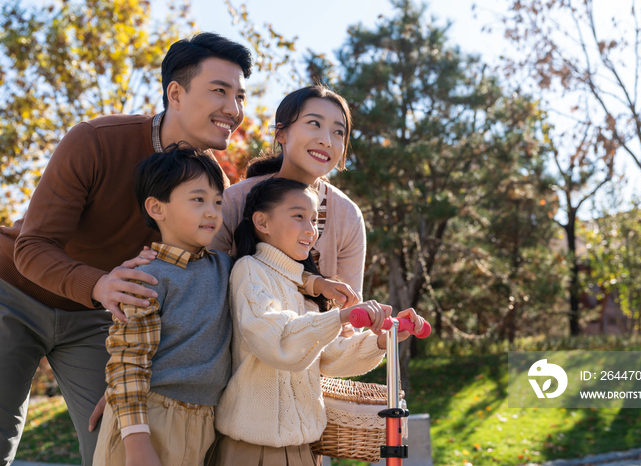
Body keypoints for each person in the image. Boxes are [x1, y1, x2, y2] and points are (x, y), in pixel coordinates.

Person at [0, 32, 251, 465]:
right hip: (15, 292)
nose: (234, 109)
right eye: (220, 91)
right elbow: (33, 246)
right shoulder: (95, 141)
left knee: (112, 442)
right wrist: (98, 284)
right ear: (175, 92)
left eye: (240, 96)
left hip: (99, 318)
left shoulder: (213, 188)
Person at [210, 178, 425, 465]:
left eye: (314, 220)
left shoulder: (301, 288)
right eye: (299, 216)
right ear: (262, 222)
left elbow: (326, 358)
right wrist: (340, 316)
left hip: (305, 450)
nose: (310, 230)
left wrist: (381, 340)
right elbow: (278, 341)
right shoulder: (250, 272)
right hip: (255, 449)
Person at [93, 144, 232, 466]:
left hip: (205, 420)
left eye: (218, 202)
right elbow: (128, 361)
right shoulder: (147, 277)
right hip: (148, 420)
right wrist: (137, 441)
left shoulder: (225, 267)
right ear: (157, 208)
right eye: (198, 199)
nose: (212, 211)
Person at [209, 85, 366, 304]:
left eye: (338, 132)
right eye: (314, 124)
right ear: (281, 133)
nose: (327, 141)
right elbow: (204, 282)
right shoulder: (234, 200)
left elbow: (349, 313)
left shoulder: (348, 216)